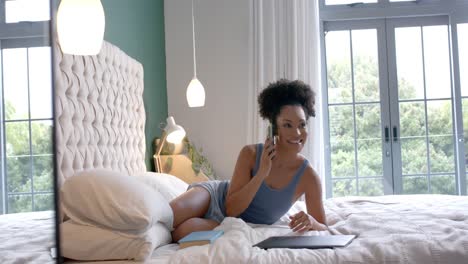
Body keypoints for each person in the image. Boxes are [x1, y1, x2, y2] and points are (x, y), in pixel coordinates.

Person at [169, 79, 327, 242]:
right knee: (169, 216)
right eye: (287, 125)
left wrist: (313, 222)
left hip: (233, 224)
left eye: (302, 125)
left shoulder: (309, 178)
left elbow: (324, 227)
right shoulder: (250, 154)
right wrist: (261, 173)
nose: (297, 133)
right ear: (273, 129)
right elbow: (231, 207)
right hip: (215, 196)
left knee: (179, 233)